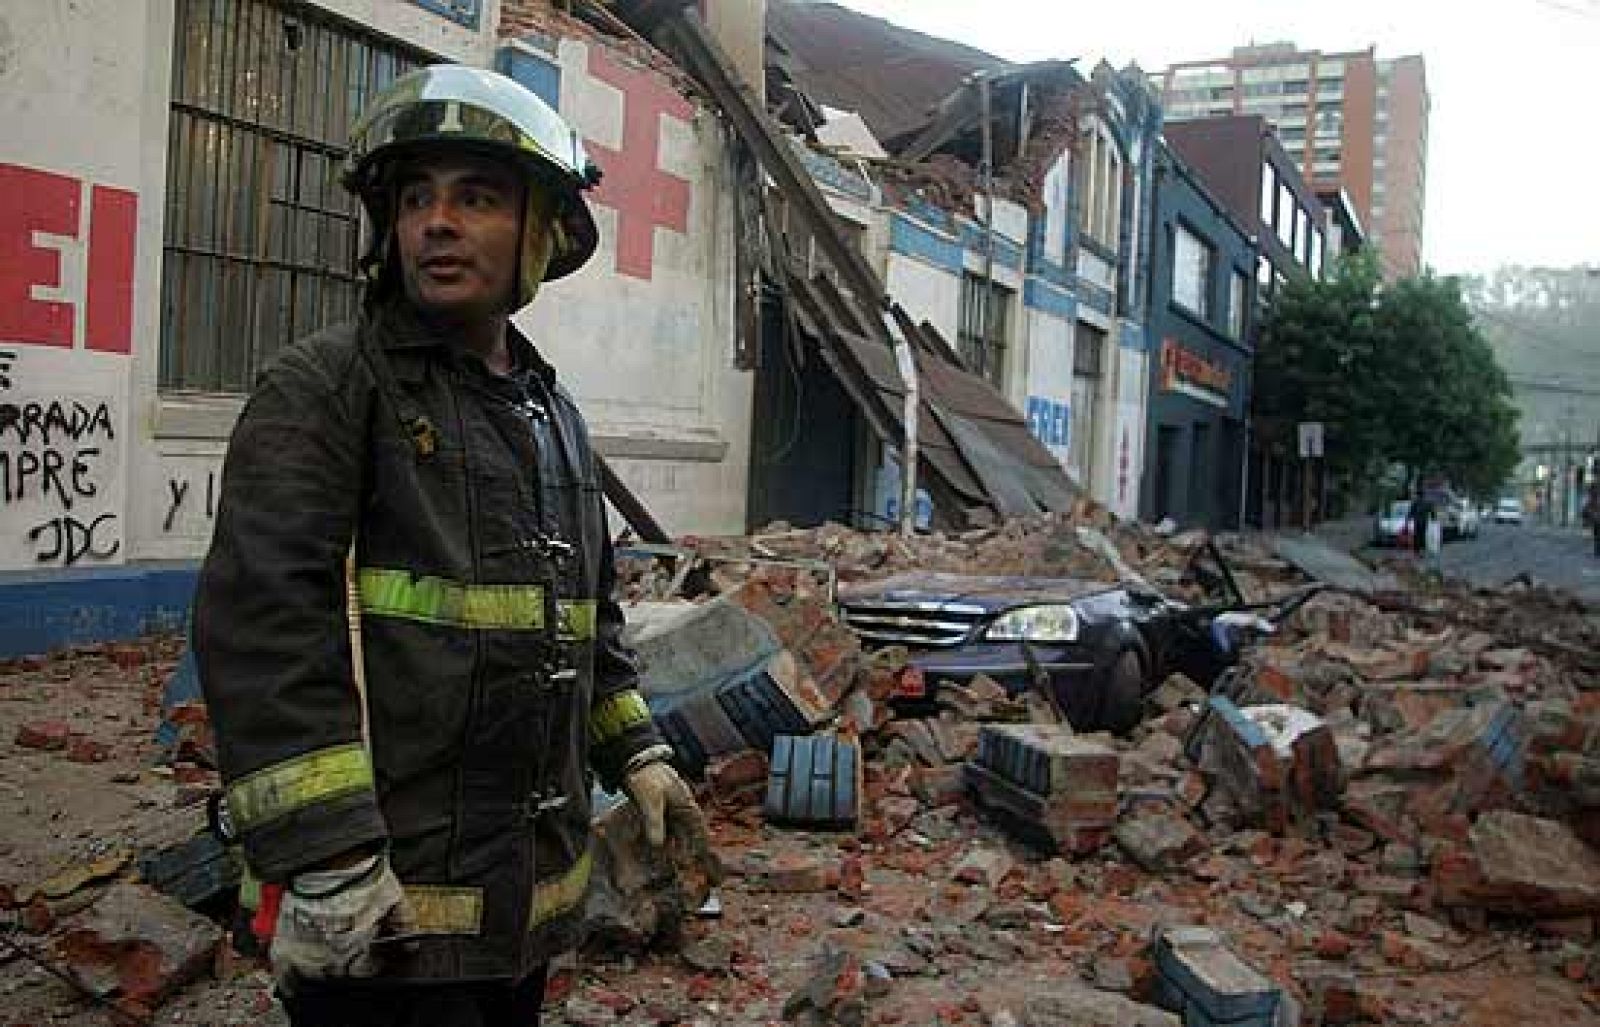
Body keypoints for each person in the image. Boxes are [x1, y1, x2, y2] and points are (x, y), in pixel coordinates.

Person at [193, 66, 705, 1026]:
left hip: (520, 917)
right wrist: (328, 860)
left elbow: (588, 618)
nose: (436, 222)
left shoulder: (553, 416)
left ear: (542, 231)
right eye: (417, 197)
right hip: (382, 919)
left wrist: (637, 751)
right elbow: (265, 632)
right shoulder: (329, 388)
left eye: (475, 197)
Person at [1584, 480, 1600, 557]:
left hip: (1595, 517)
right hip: (1595, 517)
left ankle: (1597, 550)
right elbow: (1587, 509)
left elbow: (1586, 509)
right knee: (1596, 535)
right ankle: (1597, 550)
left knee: (1596, 535)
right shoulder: (1592, 498)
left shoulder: (1591, 498)